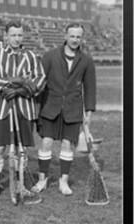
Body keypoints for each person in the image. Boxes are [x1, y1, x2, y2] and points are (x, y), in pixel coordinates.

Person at [33, 23, 96, 195]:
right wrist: (36, 106)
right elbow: (39, 81)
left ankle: (64, 182)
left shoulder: (87, 61)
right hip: (50, 107)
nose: (75, 40)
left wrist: (88, 113)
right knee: (46, 142)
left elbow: (90, 88)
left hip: (73, 109)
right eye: (72, 36)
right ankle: (42, 180)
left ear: (81, 38)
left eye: (78, 37)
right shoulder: (50, 56)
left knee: (68, 145)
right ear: (65, 36)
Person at [0, 21, 46, 199]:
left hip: (24, 107)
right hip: (1, 107)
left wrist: (23, 90)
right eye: (13, 35)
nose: (16, 38)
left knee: (22, 148)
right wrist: (17, 81)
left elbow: (40, 79)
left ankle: (20, 183)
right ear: (6, 36)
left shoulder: (31, 56)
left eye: (19, 35)